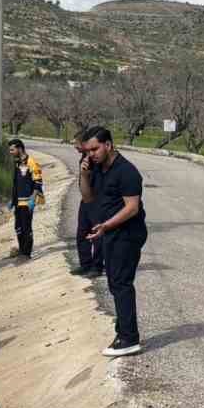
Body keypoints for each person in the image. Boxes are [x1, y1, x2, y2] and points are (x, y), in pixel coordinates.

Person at [83, 126, 147, 357]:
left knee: (121, 283)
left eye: (95, 149)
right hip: (110, 233)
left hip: (127, 233)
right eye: (87, 150)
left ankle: (129, 338)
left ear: (108, 145)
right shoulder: (99, 169)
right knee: (114, 282)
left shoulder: (126, 171)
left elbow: (132, 208)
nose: (91, 154)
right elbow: (88, 197)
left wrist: (107, 225)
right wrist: (84, 174)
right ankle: (123, 330)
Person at [73, 132, 104, 278]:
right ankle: (85, 264)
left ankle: (97, 267)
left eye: (77, 143)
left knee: (96, 235)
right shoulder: (83, 159)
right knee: (82, 233)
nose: (75, 146)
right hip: (85, 201)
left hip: (96, 201)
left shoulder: (97, 160)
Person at [8, 139, 44, 261]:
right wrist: (12, 200)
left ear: (20, 148)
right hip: (18, 202)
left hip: (27, 202)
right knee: (18, 227)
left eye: (12, 149)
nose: (10, 152)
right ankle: (21, 250)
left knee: (26, 227)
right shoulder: (17, 163)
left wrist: (32, 200)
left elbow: (38, 182)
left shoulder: (31, 162)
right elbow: (16, 184)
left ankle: (26, 253)